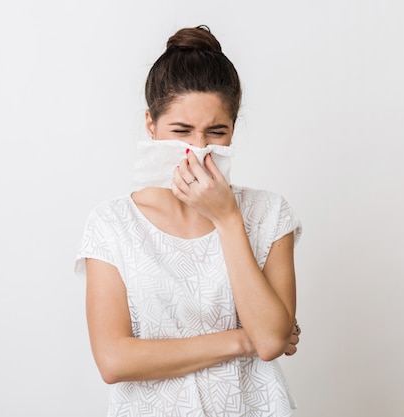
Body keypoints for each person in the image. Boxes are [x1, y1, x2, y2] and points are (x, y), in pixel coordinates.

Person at [75, 25, 302, 417]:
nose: (198, 150)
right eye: (181, 131)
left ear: (233, 130)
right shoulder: (111, 224)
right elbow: (113, 360)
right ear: (151, 126)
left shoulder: (269, 213)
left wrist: (228, 217)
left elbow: (270, 342)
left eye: (216, 133)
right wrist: (239, 341)